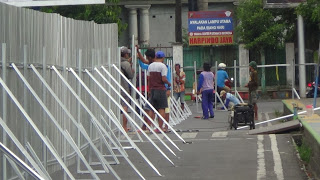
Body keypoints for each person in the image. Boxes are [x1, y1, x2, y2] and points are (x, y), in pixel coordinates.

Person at [147, 51, 171, 132]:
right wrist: (168, 83)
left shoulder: (150, 66)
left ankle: (149, 126)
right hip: (160, 89)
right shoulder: (163, 66)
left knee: (152, 109)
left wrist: (149, 89)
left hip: (152, 89)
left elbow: (149, 78)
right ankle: (160, 127)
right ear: (163, 58)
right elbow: (163, 78)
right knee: (161, 108)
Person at [120, 46, 135, 132]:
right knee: (125, 106)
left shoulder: (115, 61)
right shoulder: (126, 64)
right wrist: (132, 70)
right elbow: (130, 75)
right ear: (125, 54)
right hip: (123, 86)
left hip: (114, 86)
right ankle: (124, 126)